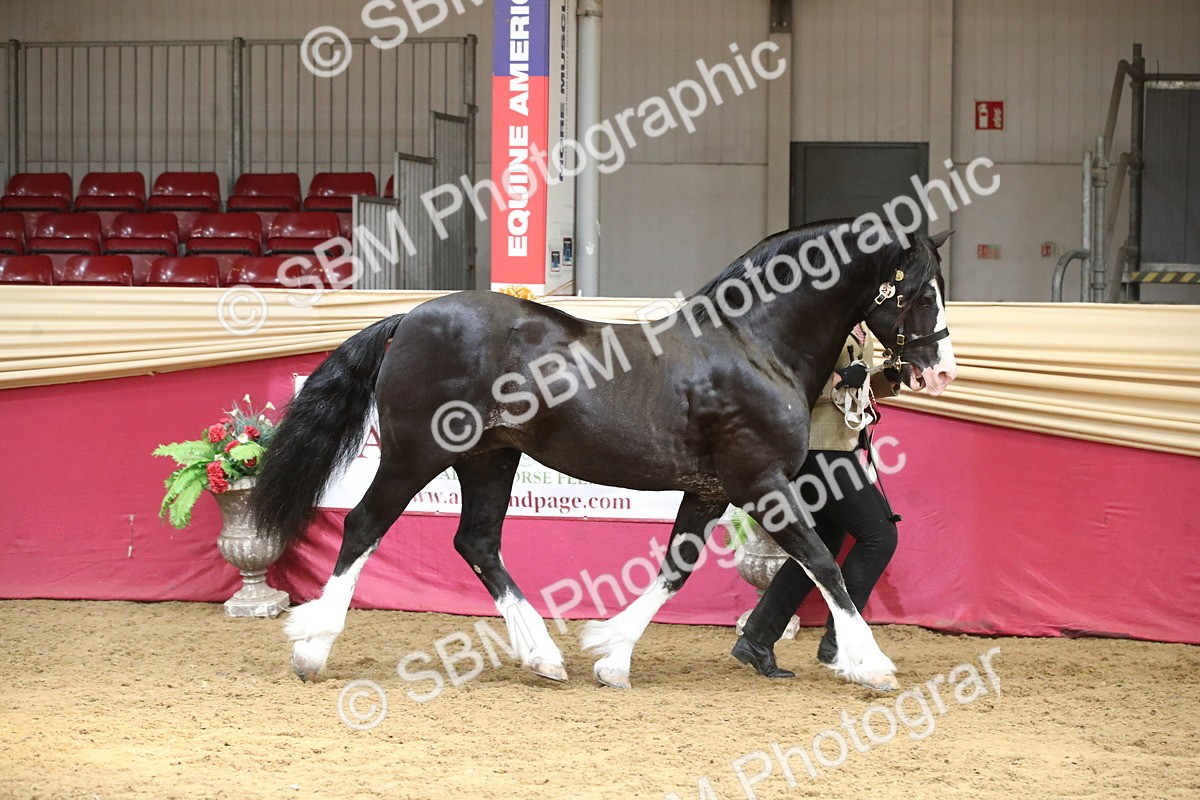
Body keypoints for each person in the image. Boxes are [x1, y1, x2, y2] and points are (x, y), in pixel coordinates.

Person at [731, 325, 901, 678]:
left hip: (839, 447)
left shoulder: (862, 330)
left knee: (819, 547)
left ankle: (758, 637)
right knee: (880, 536)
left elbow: (862, 385)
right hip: (817, 448)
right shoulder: (826, 323)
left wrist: (892, 376)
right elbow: (790, 387)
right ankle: (840, 640)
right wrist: (839, 378)